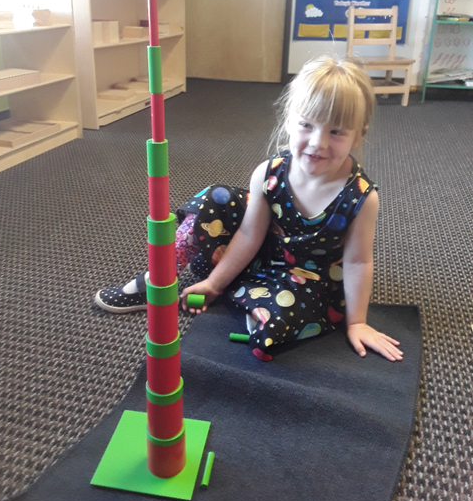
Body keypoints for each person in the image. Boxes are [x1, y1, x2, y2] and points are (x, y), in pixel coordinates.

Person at [95, 56, 403, 363]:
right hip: (259, 254)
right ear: (288, 121)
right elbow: (249, 233)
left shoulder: (361, 197)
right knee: (216, 198)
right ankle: (159, 280)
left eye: (336, 132)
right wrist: (215, 285)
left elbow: (358, 262)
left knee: (275, 327)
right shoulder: (268, 174)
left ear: (358, 135)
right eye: (306, 125)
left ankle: (230, 283)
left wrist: (357, 322)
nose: (318, 143)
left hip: (307, 277)